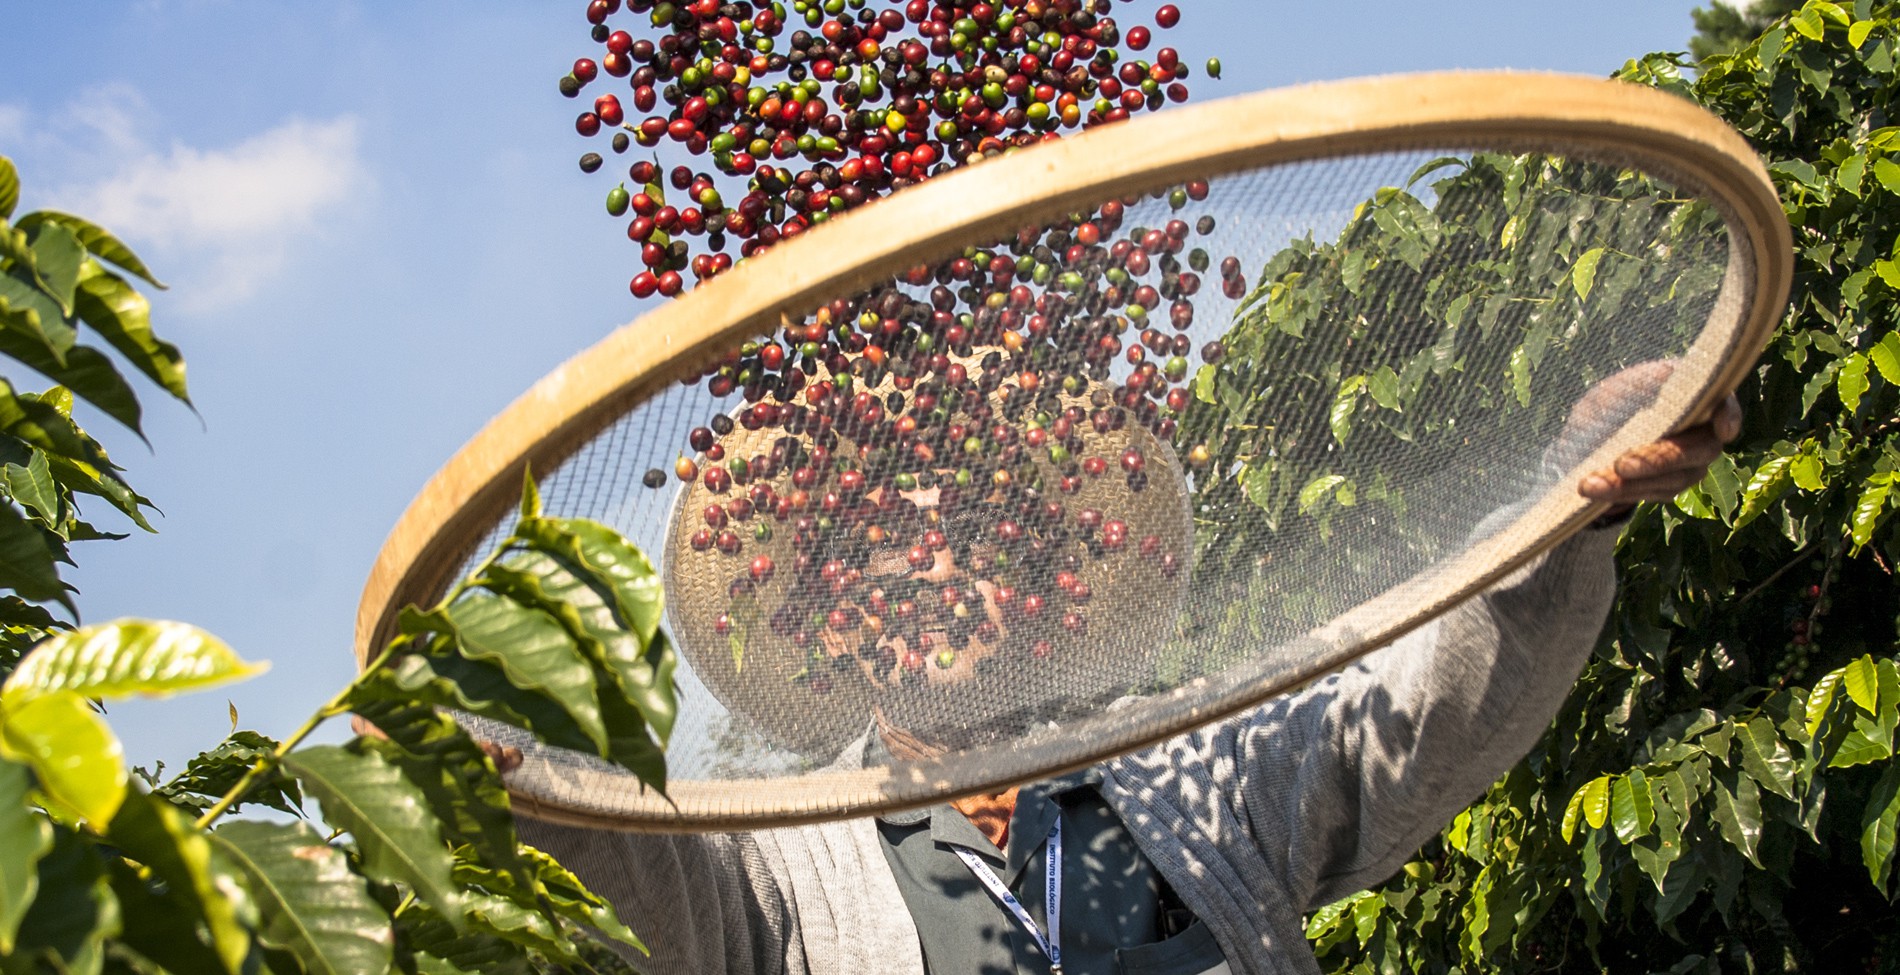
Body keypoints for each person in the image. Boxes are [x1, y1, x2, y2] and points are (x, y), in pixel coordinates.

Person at [504, 365, 1741, 975]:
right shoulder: (783, 856)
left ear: (1043, 570)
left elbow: (1407, 715)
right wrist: (503, 776)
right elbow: (635, 893)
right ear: (828, 612)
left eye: (980, 535)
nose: (933, 569)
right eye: (881, 550)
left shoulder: (1187, 767)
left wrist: (1567, 510)